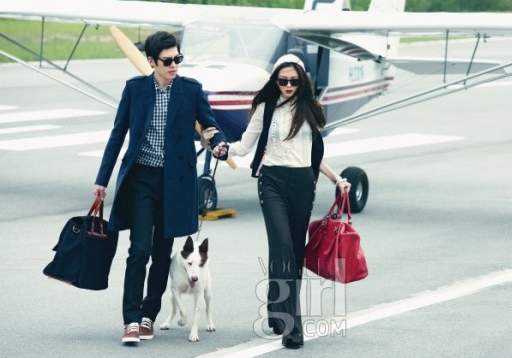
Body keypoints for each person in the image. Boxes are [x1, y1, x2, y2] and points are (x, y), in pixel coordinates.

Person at [92, 31, 228, 345]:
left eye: (178, 59)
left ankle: (148, 316)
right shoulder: (135, 89)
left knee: (161, 252)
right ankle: (130, 320)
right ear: (151, 62)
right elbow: (117, 135)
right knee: (138, 249)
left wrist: (218, 144)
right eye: (167, 61)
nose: (174, 65)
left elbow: (209, 126)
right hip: (141, 179)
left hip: (175, 184)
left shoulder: (191, 90)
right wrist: (102, 180)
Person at [211, 53, 351, 349]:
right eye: (282, 80)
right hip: (271, 181)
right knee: (283, 247)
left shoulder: (311, 109)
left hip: (302, 184)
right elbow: (245, 144)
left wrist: (336, 178)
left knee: (292, 255)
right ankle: (292, 327)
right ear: (275, 81)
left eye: (294, 81)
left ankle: (277, 310)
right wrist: (224, 150)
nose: (288, 85)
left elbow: (313, 154)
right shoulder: (265, 108)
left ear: (302, 81)